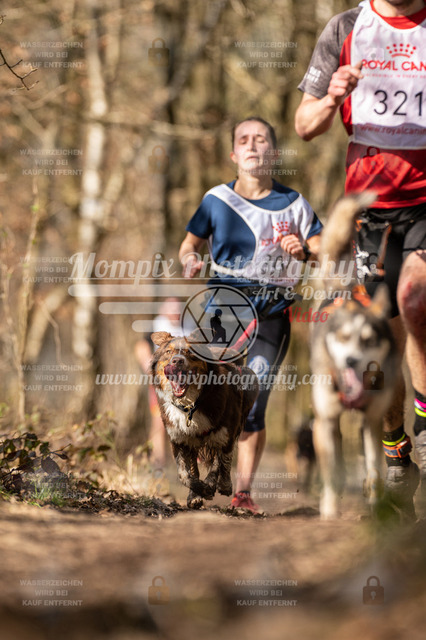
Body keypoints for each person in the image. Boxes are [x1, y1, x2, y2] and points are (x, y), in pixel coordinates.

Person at [295, 0, 426, 516]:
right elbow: (305, 125)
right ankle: (396, 450)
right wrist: (333, 97)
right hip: (371, 211)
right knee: (383, 337)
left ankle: (423, 432)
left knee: (416, 300)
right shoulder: (346, 28)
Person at [178, 117, 322, 513]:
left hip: (271, 314)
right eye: (244, 139)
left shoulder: (294, 204)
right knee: (206, 394)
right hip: (223, 311)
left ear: (273, 153)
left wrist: (305, 251)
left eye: (261, 139)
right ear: (233, 154)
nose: (253, 145)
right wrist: (190, 260)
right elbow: (188, 244)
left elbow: (324, 248)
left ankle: (242, 492)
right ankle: (201, 477)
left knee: (253, 401)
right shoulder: (216, 199)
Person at [134, 297, 183, 471]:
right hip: (161, 384)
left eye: (178, 309)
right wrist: (151, 369)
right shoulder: (156, 326)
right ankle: (157, 467)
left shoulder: (188, 327)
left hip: (184, 384)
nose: (175, 312)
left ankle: (183, 468)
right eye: (172, 308)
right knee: (160, 423)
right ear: (163, 309)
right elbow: (141, 347)